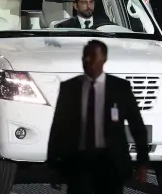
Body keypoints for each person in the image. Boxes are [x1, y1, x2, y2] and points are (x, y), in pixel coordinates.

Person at [47, 40, 149, 194]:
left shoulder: (120, 88)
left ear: (104, 60)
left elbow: (137, 126)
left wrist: (142, 163)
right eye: (85, 56)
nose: (87, 60)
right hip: (79, 164)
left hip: (111, 164)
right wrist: (53, 165)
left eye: (93, 56)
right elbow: (58, 128)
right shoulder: (70, 88)